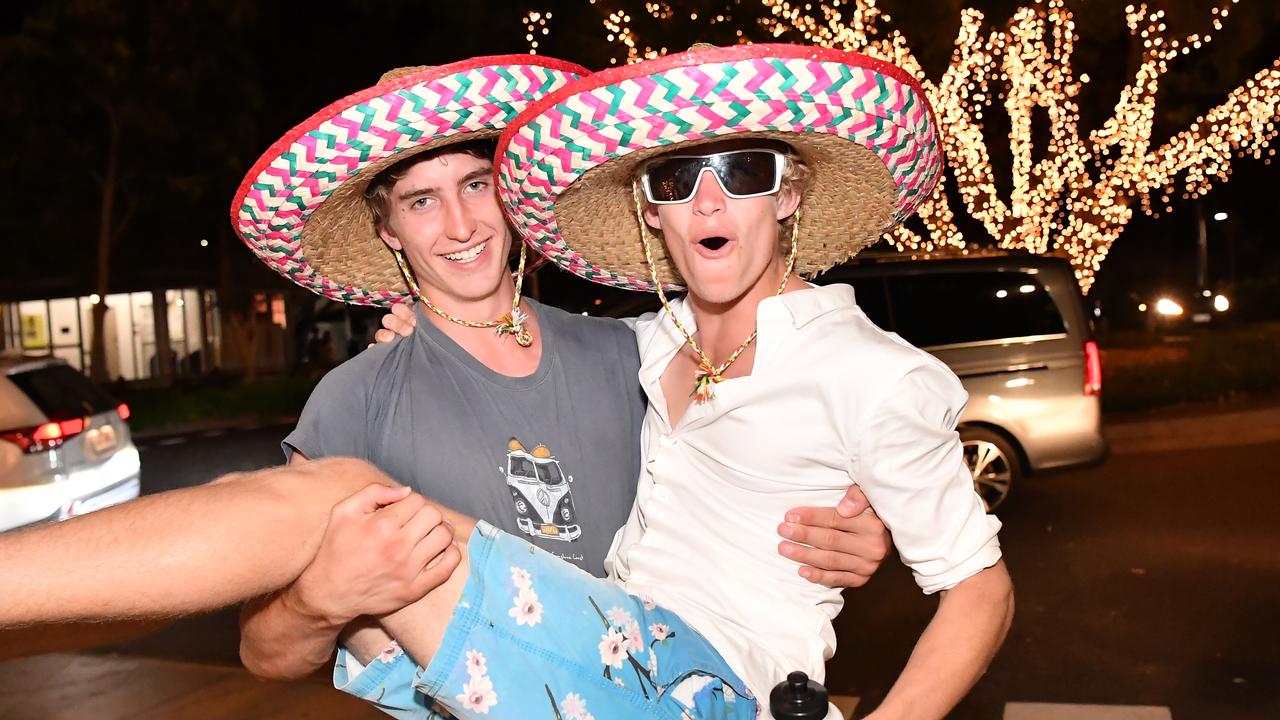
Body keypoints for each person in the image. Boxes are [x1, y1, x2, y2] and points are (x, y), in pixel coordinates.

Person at [0, 53, 887, 684]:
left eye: (477, 185)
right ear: (388, 230)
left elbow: (771, 450)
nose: (460, 225)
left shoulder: (633, 354)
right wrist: (317, 606)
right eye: (422, 200)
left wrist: (850, 536)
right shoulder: (354, 399)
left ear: (512, 197)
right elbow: (263, 655)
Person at [333, 44, 1013, 720]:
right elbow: (522, 345)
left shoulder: (873, 373)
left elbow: (982, 590)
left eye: (744, 173)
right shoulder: (647, 343)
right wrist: (418, 328)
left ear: (789, 194)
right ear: (652, 211)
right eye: (677, 181)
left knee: (362, 534)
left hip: (722, 689)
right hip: (610, 657)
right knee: (371, 599)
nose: (709, 205)